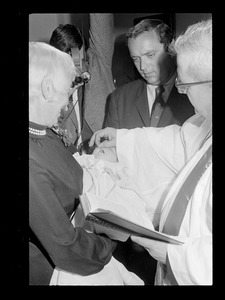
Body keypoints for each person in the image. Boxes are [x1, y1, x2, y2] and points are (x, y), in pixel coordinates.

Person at [89, 18, 213, 285]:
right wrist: (122, 140)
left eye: (185, 86)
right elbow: (179, 142)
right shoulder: (207, 124)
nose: (183, 92)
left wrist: (173, 253)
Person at [29, 41, 142, 285]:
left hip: (82, 241)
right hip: (55, 266)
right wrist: (109, 240)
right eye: (66, 94)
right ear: (47, 89)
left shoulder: (43, 131)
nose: (67, 104)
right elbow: (65, 247)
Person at [103, 18, 195, 129]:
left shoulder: (195, 94)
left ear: (171, 49)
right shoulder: (119, 98)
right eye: (136, 59)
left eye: (150, 55)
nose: (142, 67)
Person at [50, 14, 115, 152]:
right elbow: (52, 125)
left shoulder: (98, 62)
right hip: (72, 157)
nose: (70, 65)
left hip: (104, 150)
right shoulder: (53, 84)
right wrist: (66, 95)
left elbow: (101, 21)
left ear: (81, 49)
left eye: (72, 55)